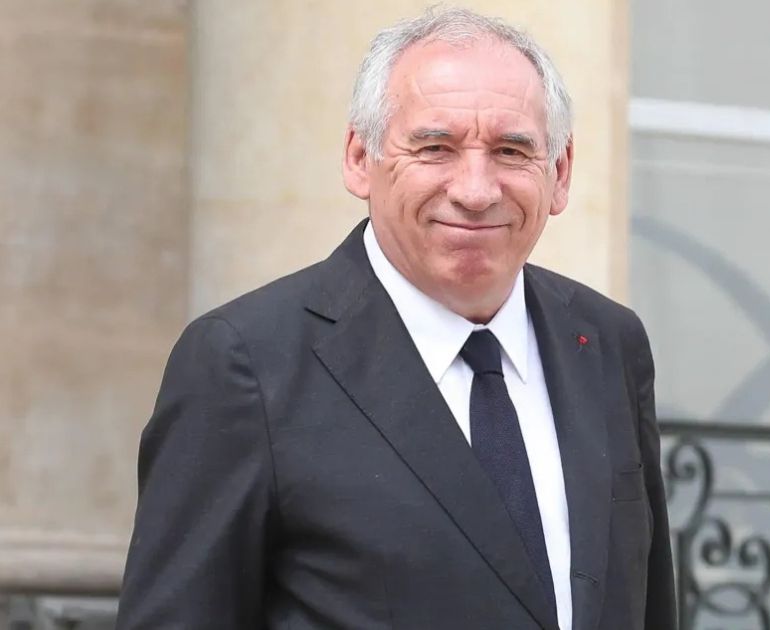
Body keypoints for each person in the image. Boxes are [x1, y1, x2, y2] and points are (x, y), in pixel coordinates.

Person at [116, 7, 676, 630]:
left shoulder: (607, 344)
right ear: (361, 158)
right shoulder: (246, 364)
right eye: (435, 148)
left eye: (511, 150)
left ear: (560, 173)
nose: (475, 189)